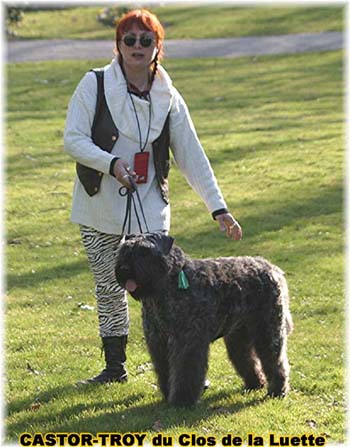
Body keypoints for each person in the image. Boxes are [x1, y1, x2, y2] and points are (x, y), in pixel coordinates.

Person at [64, 8, 242, 385]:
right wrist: (110, 163)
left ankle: (184, 368)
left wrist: (218, 208)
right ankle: (115, 368)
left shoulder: (168, 96)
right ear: (118, 45)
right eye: (129, 39)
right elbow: (73, 140)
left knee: (168, 292)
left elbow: (191, 154)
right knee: (110, 288)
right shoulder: (93, 84)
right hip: (98, 206)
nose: (137, 46)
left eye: (146, 40)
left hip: (149, 209)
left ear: (158, 47)